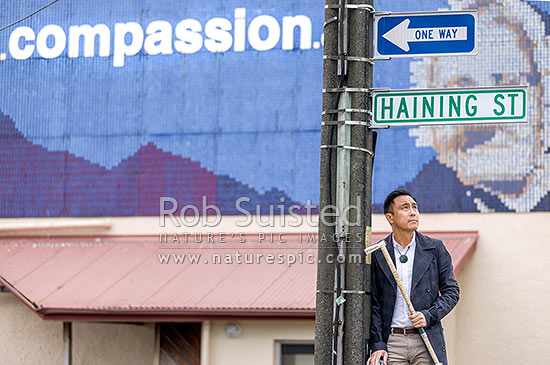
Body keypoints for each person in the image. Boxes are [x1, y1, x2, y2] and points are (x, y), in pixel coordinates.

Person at [409, 0, 550, 212]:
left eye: (509, 83)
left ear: (542, 102)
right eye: (460, 88)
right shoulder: (401, 209)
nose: (485, 120)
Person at [367, 189, 459, 365]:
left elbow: (452, 291)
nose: (412, 212)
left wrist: (428, 315)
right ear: (390, 217)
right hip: (392, 342)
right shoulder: (380, 253)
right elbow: (375, 303)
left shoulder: (435, 249)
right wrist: (378, 343)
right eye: (405, 208)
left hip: (426, 339)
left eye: (415, 207)